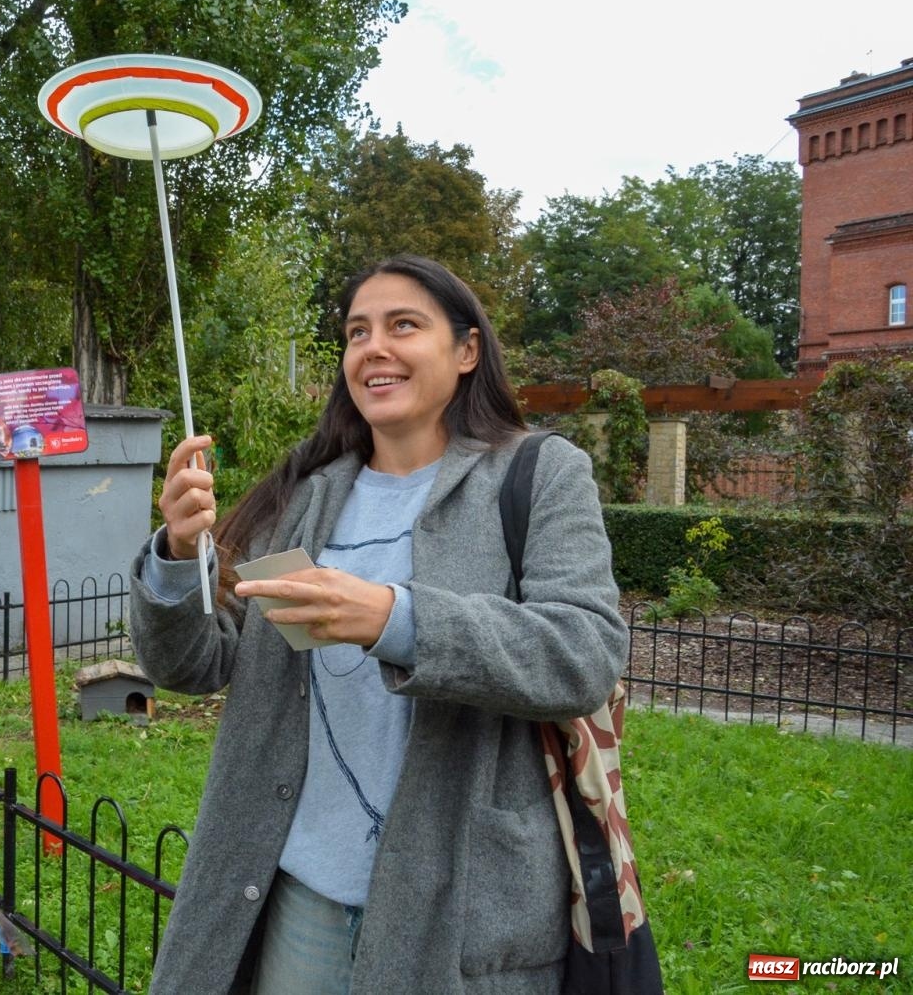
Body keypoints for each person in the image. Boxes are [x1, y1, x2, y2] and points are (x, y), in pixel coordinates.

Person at [131, 255, 629, 994]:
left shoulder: (539, 474)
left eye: (404, 325)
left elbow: (582, 653)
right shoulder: (308, 490)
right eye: (357, 331)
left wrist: (395, 620)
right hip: (302, 893)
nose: (374, 348)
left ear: (466, 351)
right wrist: (176, 554)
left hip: (458, 903)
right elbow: (195, 665)